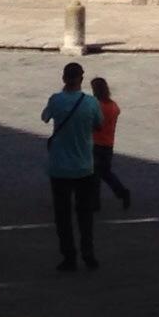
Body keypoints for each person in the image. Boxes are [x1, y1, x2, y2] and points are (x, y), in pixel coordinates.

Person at [41, 60, 103, 271]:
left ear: (64, 79)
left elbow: (44, 117)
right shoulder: (90, 103)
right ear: (81, 79)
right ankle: (88, 253)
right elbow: (99, 124)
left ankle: (69, 256)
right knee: (85, 215)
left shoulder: (56, 100)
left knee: (63, 216)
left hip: (59, 167)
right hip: (84, 165)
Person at [89, 77, 132, 211]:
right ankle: (122, 192)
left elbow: (93, 125)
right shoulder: (113, 106)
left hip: (95, 144)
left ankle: (94, 203)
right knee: (106, 173)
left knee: (94, 175)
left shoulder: (96, 106)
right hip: (108, 144)